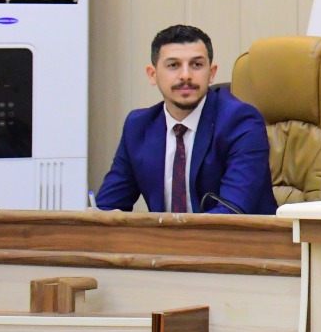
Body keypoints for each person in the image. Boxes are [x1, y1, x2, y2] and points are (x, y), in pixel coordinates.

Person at [94, 24, 275, 215]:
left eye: (196, 65)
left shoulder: (241, 122)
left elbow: (233, 212)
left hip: (235, 234)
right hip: (167, 236)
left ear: (211, 73)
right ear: (152, 75)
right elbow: (107, 207)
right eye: (173, 65)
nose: (186, 75)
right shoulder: (138, 127)